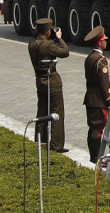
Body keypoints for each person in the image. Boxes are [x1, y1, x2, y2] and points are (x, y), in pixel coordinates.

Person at [28, 18, 70, 152]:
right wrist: (58, 38)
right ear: (47, 32)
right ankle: (56, 145)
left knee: (42, 111)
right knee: (57, 112)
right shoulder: (49, 45)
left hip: (40, 80)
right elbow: (65, 52)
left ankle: (41, 141)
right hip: (52, 81)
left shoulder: (32, 44)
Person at [83, 25, 110, 163]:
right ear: (99, 42)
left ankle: (93, 155)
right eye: (104, 40)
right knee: (98, 128)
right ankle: (96, 157)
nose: (105, 42)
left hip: (90, 97)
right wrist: (109, 100)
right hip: (98, 100)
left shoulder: (89, 57)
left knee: (93, 127)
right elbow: (104, 83)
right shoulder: (101, 60)